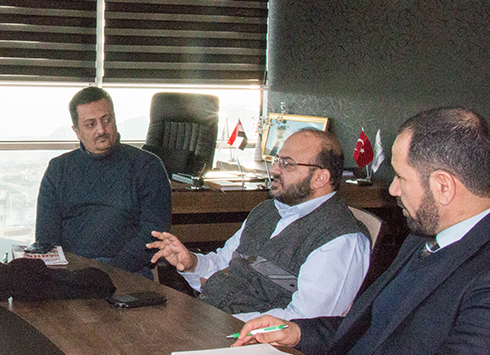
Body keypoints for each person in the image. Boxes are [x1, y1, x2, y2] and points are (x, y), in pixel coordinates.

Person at [208, 107, 490, 355]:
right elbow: (370, 326)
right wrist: (299, 332)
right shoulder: (424, 236)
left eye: (401, 177)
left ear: (443, 186)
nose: (393, 190)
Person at [148, 129, 370, 320]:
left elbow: (306, 322)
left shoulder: (342, 239)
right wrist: (191, 263)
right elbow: (224, 263)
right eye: (277, 160)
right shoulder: (267, 211)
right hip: (210, 317)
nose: (274, 170)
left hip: (252, 343)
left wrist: (221, 323)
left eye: (287, 164)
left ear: (320, 178)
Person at [35, 86, 171, 275]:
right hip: (71, 272)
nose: (101, 130)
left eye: (107, 120)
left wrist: (109, 272)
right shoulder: (58, 169)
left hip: (127, 272)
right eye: (91, 124)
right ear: (76, 131)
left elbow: (153, 235)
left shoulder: (147, 166)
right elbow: (46, 239)